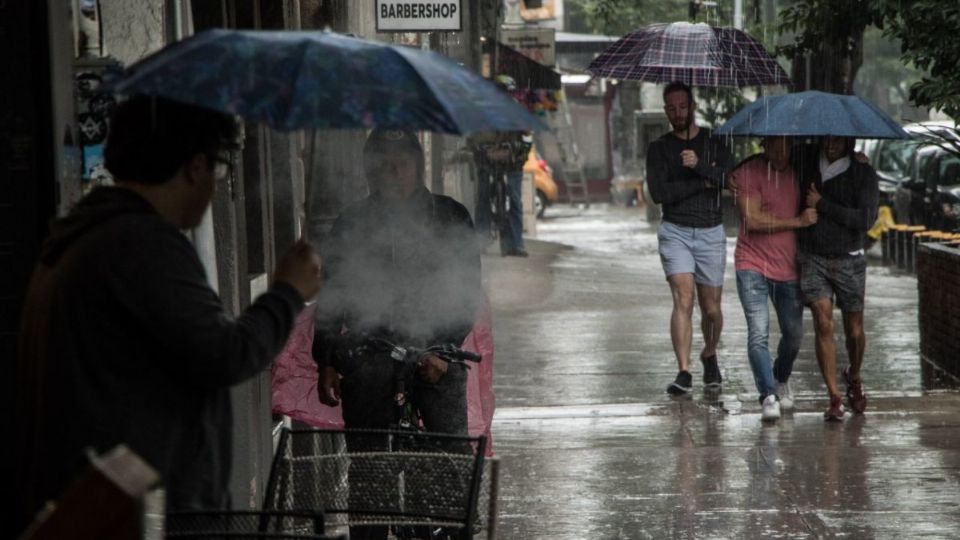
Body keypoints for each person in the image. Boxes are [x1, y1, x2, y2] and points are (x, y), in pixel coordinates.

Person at [13, 95, 322, 532]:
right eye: (219, 170)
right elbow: (224, 354)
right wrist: (288, 293)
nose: (216, 186)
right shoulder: (142, 245)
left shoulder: (92, 234)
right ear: (195, 167)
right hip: (149, 514)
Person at [645, 81, 733, 395]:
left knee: (711, 309)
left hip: (710, 229)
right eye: (671, 107)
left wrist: (700, 168)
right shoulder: (659, 148)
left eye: (683, 106)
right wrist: (700, 184)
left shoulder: (714, 141)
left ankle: (709, 351)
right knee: (683, 299)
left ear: (692, 106)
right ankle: (684, 370)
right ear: (665, 109)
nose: (677, 113)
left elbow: (729, 179)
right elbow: (659, 193)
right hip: (675, 230)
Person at [730, 136, 817, 422]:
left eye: (786, 146)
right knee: (758, 332)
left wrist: (858, 160)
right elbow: (752, 221)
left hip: (788, 267)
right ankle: (767, 394)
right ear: (764, 145)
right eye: (774, 146)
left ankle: (780, 377)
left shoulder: (801, 171)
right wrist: (797, 222)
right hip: (751, 263)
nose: (780, 152)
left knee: (793, 335)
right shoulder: (747, 172)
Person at [795, 135, 879, 421]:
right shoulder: (805, 160)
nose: (830, 145)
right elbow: (773, 156)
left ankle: (853, 374)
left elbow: (866, 220)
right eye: (826, 139)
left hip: (849, 258)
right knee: (822, 321)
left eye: (838, 140)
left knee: (854, 331)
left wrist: (822, 204)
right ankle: (834, 396)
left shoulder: (862, 172)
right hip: (812, 256)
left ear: (849, 140)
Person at [469, 74, 532, 257]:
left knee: (515, 200)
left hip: (511, 161)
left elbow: (527, 131)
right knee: (483, 199)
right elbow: (474, 134)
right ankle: (480, 241)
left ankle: (516, 244)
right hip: (487, 159)